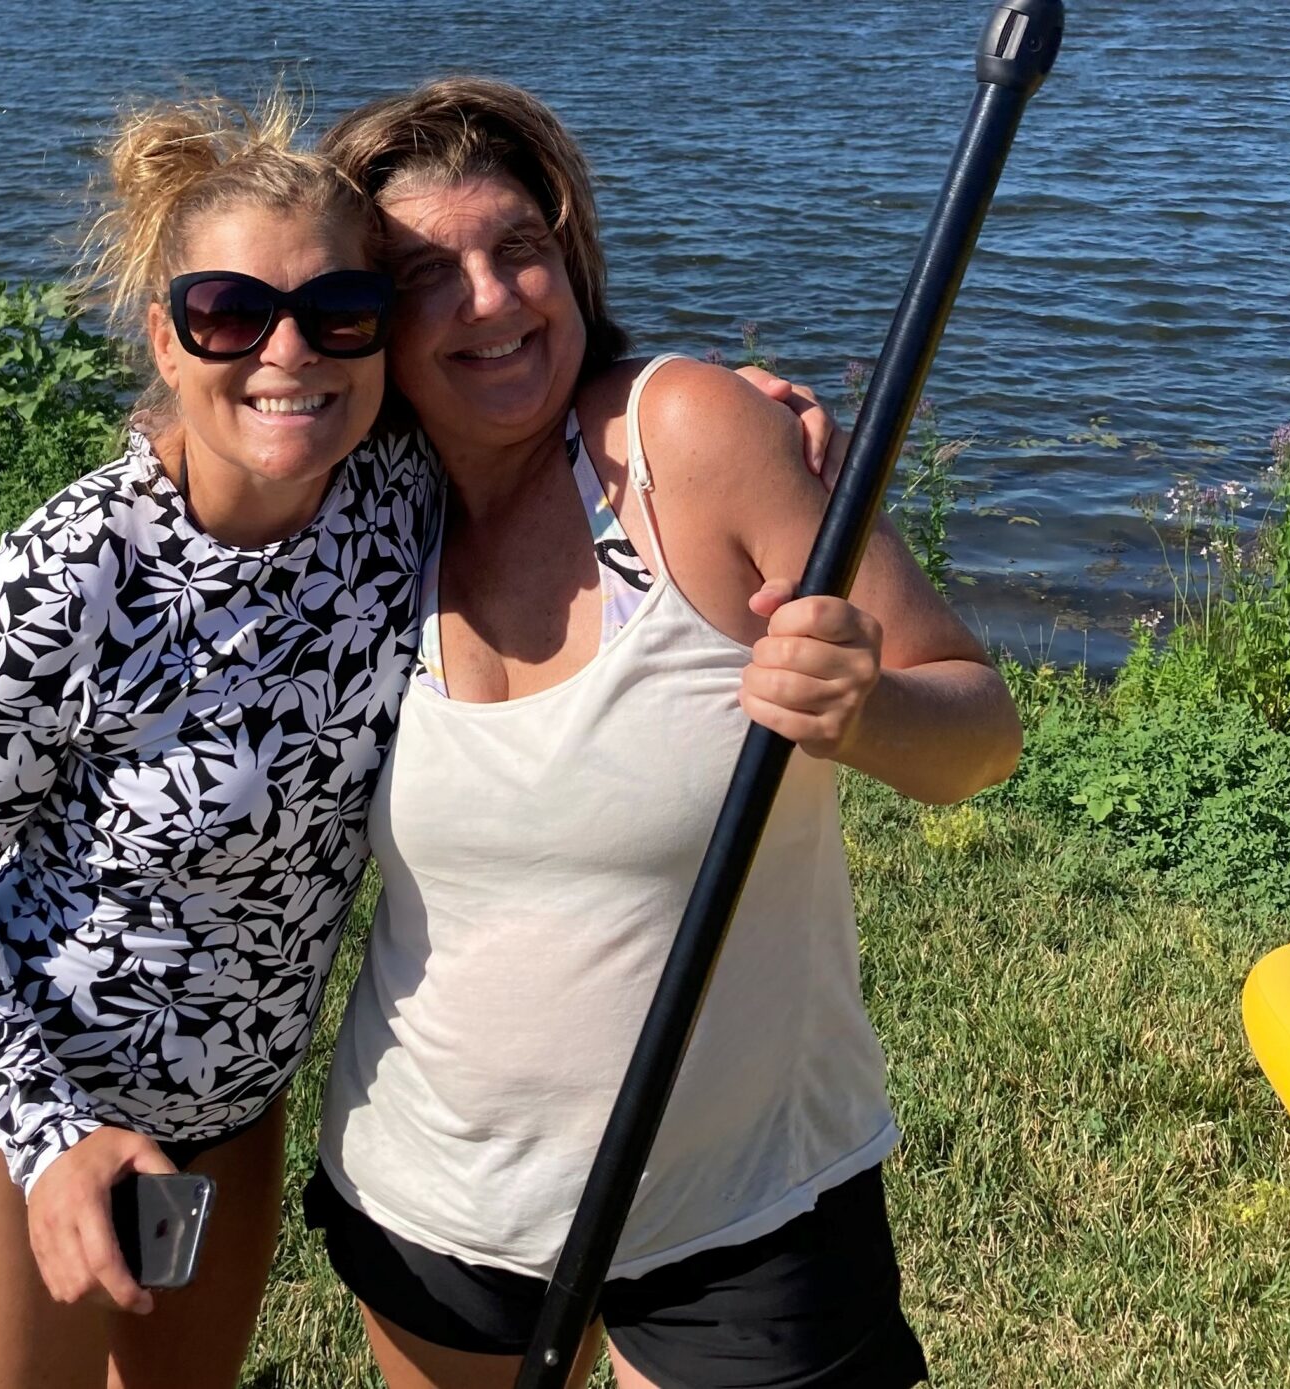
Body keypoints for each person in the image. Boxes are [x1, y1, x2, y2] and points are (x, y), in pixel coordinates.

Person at [305, 78, 1025, 1389]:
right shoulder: (356, 518)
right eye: (429, 275)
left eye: (520, 249)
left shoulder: (685, 439)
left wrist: (869, 708)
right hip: (429, 1199)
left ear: (569, 258)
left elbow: (980, 726)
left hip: (738, 1212)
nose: (495, 298)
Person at [0, 92, 435, 1388]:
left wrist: (719, 424)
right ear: (167, 343)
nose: (289, 352)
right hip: (17, 1117)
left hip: (227, 1118)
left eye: (341, 311)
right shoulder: (69, 579)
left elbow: (553, 411)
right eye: (230, 312)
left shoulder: (398, 506)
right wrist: (51, 1135)